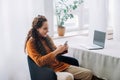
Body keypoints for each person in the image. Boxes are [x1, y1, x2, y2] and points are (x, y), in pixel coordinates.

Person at [24, 15, 93, 80]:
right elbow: (40, 62)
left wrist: (63, 49)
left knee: (88, 73)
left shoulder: (47, 38)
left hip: (60, 66)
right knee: (68, 77)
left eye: (48, 28)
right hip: (48, 71)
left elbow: (55, 51)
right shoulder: (31, 43)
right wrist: (56, 51)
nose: (47, 31)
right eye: (45, 29)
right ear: (37, 29)